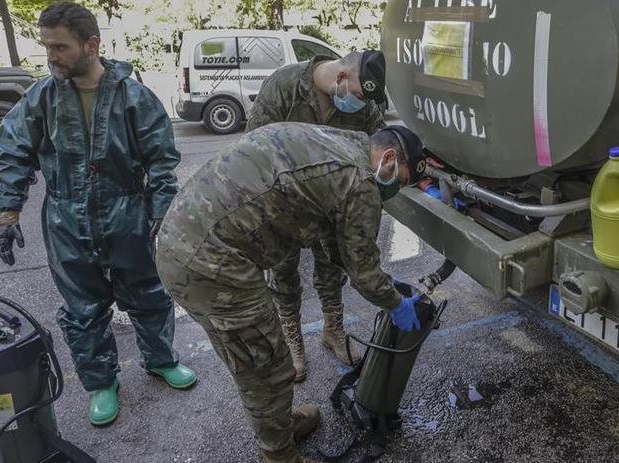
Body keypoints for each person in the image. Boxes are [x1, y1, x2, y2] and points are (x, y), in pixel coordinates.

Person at [155, 122, 427, 463]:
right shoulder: (359, 181)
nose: (395, 191)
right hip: (211, 263)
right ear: (388, 157)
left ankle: (279, 425)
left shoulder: (333, 139)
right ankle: (278, 454)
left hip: (186, 236)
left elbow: (334, 236)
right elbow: (364, 272)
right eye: (399, 181)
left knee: (257, 358)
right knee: (265, 366)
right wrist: (396, 303)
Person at [0, 1, 197, 427]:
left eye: (60, 47)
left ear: (91, 44)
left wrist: (162, 213)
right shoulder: (41, 97)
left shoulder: (134, 96)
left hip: (128, 214)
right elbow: (12, 147)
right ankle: (101, 382)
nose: (50, 56)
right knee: (83, 309)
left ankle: (160, 359)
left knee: (149, 295)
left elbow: (161, 158)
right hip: (65, 218)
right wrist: (9, 209)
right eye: (46, 46)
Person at [245, 50, 388, 381]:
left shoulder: (361, 104)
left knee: (331, 268)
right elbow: (252, 149)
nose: (360, 104)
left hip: (330, 206)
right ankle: (292, 340)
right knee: (283, 273)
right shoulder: (283, 86)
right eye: (357, 96)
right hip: (283, 205)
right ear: (341, 78)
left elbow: (380, 140)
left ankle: (332, 330)